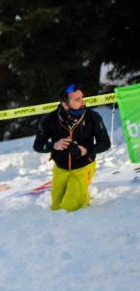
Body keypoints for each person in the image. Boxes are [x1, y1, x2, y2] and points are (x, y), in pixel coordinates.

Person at [32, 84, 111, 212]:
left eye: (82, 98)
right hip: (61, 168)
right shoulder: (49, 120)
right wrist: (54, 145)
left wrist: (86, 151)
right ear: (64, 104)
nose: (82, 102)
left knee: (70, 207)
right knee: (56, 208)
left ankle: (83, 198)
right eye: (77, 100)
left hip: (83, 166)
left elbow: (105, 144)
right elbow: (38, 146)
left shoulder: (92, 117)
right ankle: (78, 194)